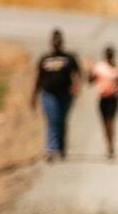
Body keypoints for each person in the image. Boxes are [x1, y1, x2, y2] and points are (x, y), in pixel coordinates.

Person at [31, 29, 82, 161]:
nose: (56, 44)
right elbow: (38, 78)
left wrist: (76, 87)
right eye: (54, 42)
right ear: (51, 43)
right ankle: (51, 149)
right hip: (48, 94)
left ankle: (62, 147)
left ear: (62, 42)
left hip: (65, 95)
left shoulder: (69, 58)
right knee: (53, 120)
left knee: (61, 121)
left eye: (58, 42)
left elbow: (77, 73)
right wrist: (33, 96)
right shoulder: (45, 59)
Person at [89, 44, 118, 159]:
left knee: (110, 122)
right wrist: (90, 68)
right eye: (108, 55)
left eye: (111, 55)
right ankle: (108, 144)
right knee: (104, 124)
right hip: (102, 98)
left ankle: (111, 146)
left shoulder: (117, 69)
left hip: (112, 98)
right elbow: (90, 80)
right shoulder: (99, 67)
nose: (109, 57)